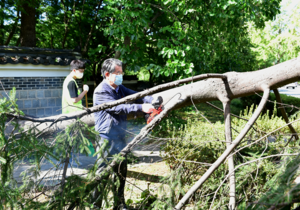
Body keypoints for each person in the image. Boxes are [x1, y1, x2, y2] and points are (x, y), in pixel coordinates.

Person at [93, 58, 154, 210]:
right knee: (102, 174)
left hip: (120, 136)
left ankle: (119, 204)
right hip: (106, 138)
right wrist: (142, 108)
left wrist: (152, 100)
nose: (121, 75)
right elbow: (119, 108)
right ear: (107, 74)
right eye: (118, 73)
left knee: (121, 172)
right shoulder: (101, 91)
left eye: (122, 72)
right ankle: (95, 206)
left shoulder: (119, 88)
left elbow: (135, 95)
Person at [62, 60, 94, 165]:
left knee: (74, 140)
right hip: (73, 116)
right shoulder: (71, 82)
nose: (82, 73)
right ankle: (86, 160)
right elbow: (74, 100)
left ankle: (74, 161)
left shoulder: (69, 80)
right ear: (74, 70)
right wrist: (85, 91)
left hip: (71, 114)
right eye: (81, 71)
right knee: (79, 139)